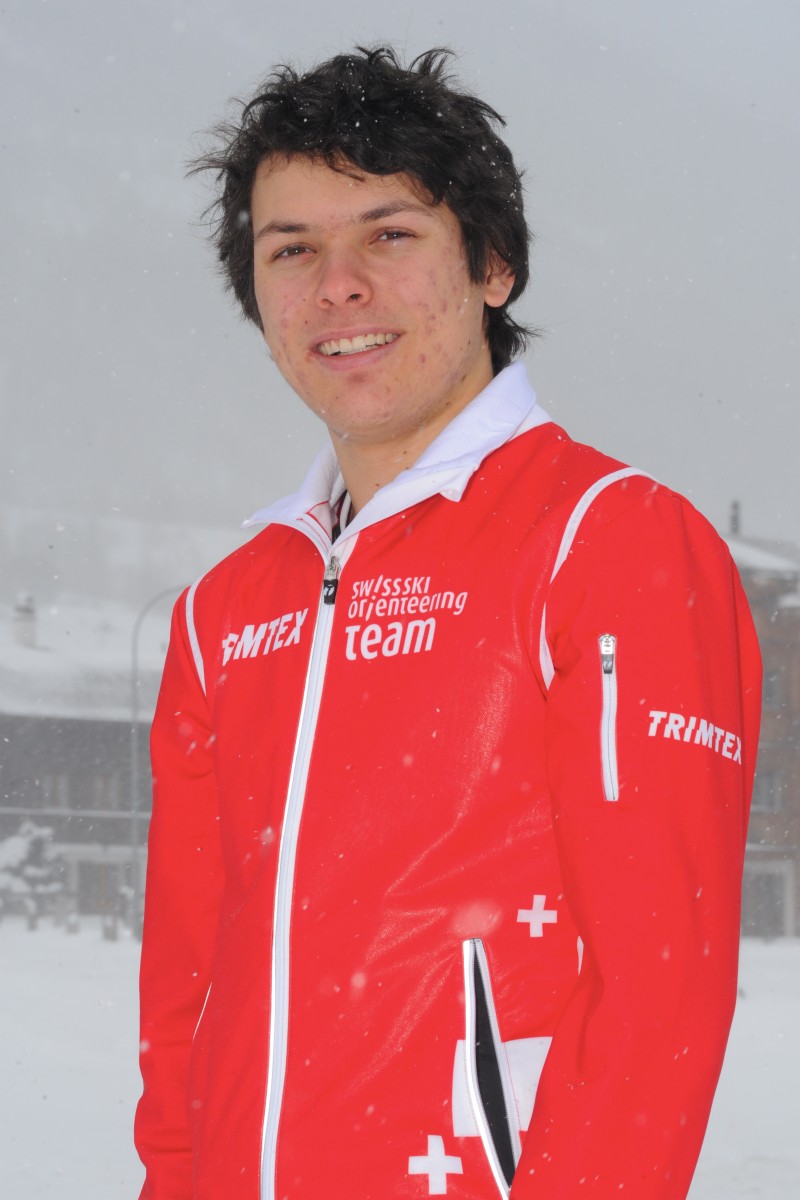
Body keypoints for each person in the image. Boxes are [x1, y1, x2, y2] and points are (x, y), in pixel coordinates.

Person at [134, 46, 761, 1200]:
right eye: (290, 249)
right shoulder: (225, 611)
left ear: (491, 265)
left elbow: (656, 998)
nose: (337, 286)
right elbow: (183, 995)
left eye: (388, 234)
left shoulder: (610, 541)